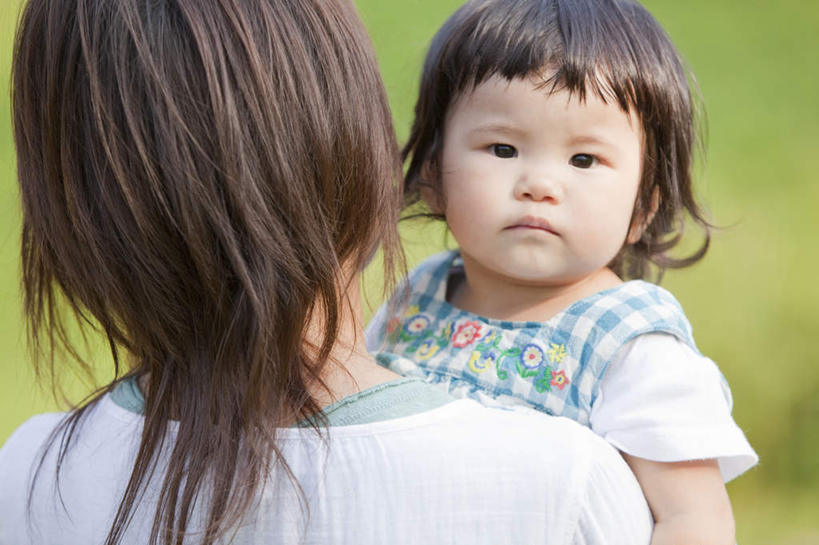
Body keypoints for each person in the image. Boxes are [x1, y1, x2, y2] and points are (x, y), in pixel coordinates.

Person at [0, 0, 653, 544]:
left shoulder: (29, 476)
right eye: (503, 148)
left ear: (69, 205)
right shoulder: (562, 484)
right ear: (373, 156)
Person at [366, 0, 759, 544]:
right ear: (433, 174)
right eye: (502, 148)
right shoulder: (418, 297)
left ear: (644, 203)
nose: (540, 184)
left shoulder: (632, 348)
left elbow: (695, 519)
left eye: (583, 161)